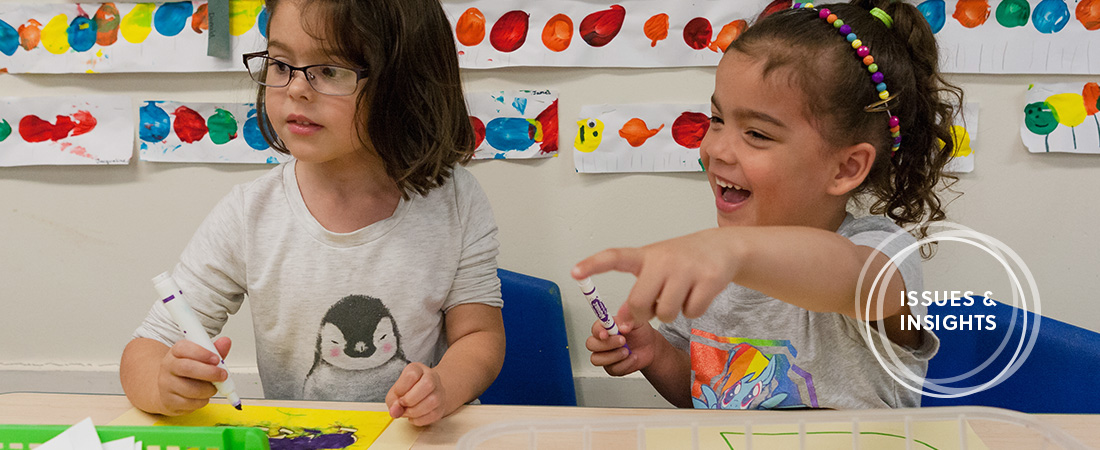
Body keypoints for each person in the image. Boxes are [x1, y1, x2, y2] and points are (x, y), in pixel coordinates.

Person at [120, 0, 504, 426]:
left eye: (331, 71)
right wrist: (161, 382)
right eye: (281, 64)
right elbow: (148, 346)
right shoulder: (249, 214)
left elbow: (479, 336)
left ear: (405, 82)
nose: (296, 89)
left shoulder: (455, 200)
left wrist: (444, 386)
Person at [574, 0, 963, 410]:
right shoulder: (717, 265)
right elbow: (706, 395)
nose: (717, 149)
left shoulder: (878, 253)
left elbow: (850, 277)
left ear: (846, 168)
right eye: (718, 119)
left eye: (757, 134)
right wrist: (653, 353)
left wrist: (730, 253)